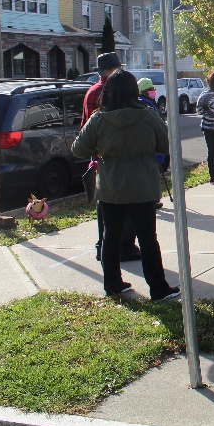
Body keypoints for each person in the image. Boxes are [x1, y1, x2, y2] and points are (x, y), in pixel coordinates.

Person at [72, 69, 180, 301]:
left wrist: (100, 150)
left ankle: (112, 284)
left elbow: (77, 148)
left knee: (110, 237)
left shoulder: (99, 119)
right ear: (134, 90)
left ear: (108, 91)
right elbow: (166, 144)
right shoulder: (148, 115)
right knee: (148, 239)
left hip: (110, 185)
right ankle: (158, 288)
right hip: (142, 184)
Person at [82, 52, 139, 263]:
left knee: (103, 206)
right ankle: (125, 246)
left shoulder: (90, 93)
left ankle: (102, 245)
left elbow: (84, 129)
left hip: (99, 157)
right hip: (122, 157)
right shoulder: (119, 90)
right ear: (114, 69)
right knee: (129, 205)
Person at [137, 78, 169, 210]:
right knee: (152, 174)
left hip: (149, 145)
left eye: (153, 89)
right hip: (151, 146)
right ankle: (153, 199)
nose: (153, 91)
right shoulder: (145, 105)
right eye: (150, 89)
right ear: (143, 91)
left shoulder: (148, 102)